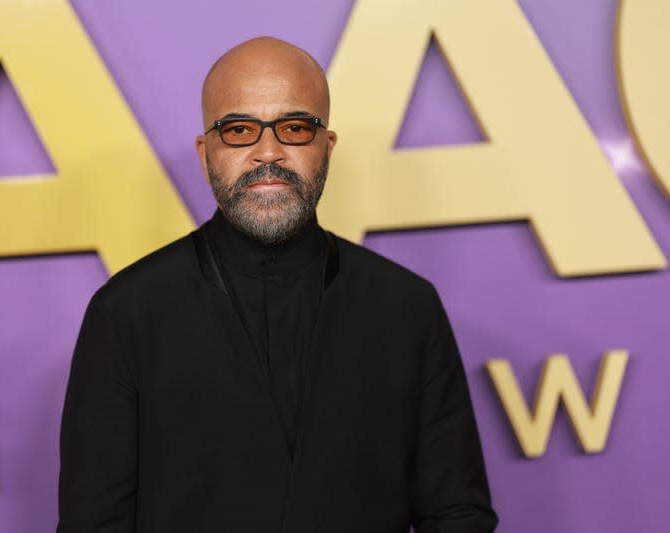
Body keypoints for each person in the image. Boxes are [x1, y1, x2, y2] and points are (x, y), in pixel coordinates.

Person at [57, 37, 497, 532]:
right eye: (239, 129)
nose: (269, 152)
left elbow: (457, 513)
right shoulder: (126, 314)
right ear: (205, 155)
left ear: (326, 148)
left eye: (294, 127)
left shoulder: (407, 307)